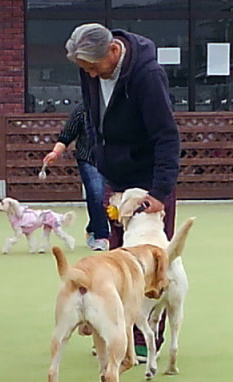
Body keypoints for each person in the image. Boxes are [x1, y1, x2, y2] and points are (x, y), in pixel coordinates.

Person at [65, 22, 181, 360]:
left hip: (148, 183)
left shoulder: (147, 75)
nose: (88, 73)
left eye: (91, 66)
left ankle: (147, 338)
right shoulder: (90, 71)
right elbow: (91, 116)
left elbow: (167, 135)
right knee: (114, 264)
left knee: (151, 264)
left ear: (113, 52)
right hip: (114, 180)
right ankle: (116, 332)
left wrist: (159, 191)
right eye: (83, 68)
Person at [43, 102, 110, 251]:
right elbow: (67, 135)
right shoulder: (82, 110)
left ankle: (93, 228)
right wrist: (55, 153)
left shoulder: (121, 107)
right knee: (97, 193)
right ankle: (101, 237)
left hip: (115, 159)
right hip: (88, 159)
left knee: (110, 197)